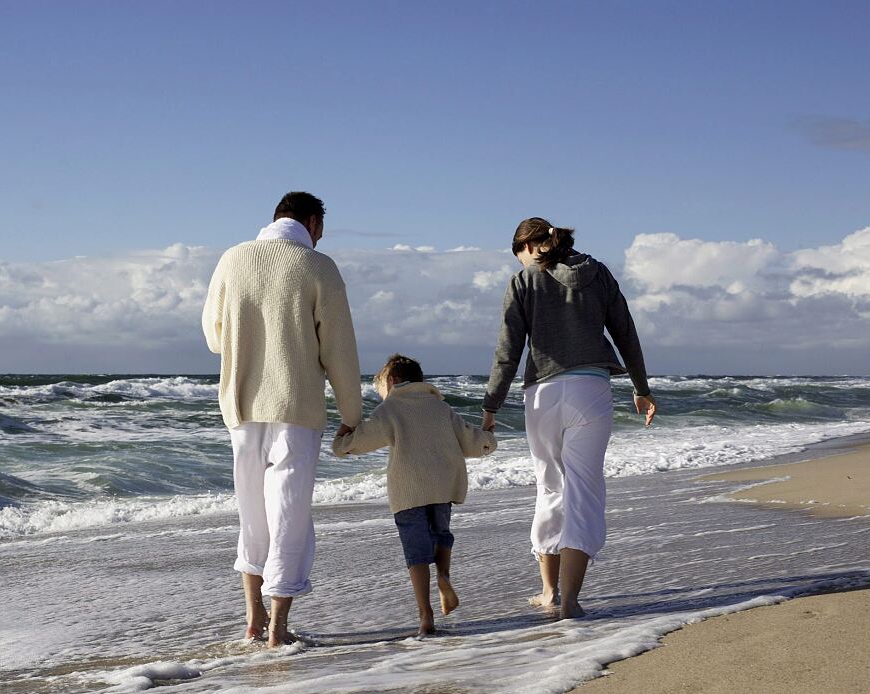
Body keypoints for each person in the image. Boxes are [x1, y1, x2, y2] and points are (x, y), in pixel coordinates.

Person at [202, 191, 364, 647]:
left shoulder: (232, 259)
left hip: (240, 404)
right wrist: (352, 416)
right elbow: (339, 352)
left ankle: (252, 620)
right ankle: (278, 626)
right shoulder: (318, 266)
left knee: (252, 514)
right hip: (296, 406)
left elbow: (215, 337)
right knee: (288, 513)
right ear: (313, 223)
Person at [481, 217, 656, 620]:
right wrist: (641, 389)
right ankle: (571, 599)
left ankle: (548, 592)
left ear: (528, 247)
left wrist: (491, 407)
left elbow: (507, 351)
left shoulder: (523, 281)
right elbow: (626, 333)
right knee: (584, 489)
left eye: (519, 255)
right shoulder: (598, 274)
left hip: (541, 394)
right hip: (590, 391)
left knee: (550, 486)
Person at [333, 354, 496, 635]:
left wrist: (341, 441)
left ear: (393, 382)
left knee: (416, 553)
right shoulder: (441, 407)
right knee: (442, 535)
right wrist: (488, 437)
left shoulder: (390, 408)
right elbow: (471, 442)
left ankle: (425, 615)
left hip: (408, 491)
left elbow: (362, 439)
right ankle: (444, 576)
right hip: (443, 486)